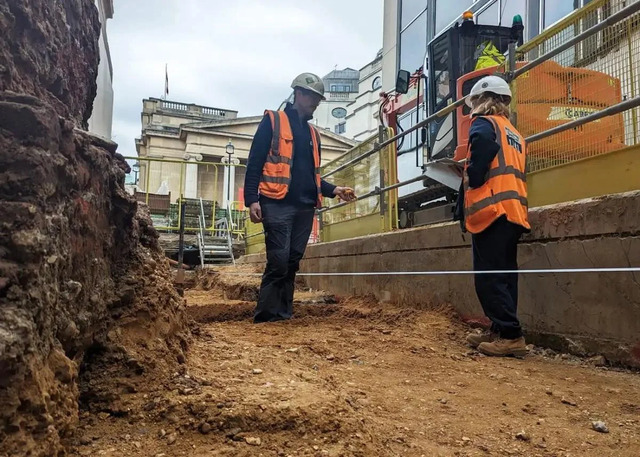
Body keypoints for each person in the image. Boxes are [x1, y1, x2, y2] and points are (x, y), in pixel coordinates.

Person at [244, 72, 356, 324]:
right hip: (276, 202)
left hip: (305, 207)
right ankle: (265, 315)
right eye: (313, 97)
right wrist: (252, 199)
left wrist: (333, 189)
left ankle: (283, 313)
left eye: (319, 98)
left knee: (292, 261)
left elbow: (310, 175)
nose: (317, 102)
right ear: (299, 94)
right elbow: (254, 163)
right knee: (279, 261)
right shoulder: (273, 122)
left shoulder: (313, 134)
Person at [459, 75, 530, 357]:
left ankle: (510, 335)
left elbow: (482, 154)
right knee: (505, 274)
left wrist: (473, 178)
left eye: (474, 101)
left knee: (489, 276)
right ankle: (502, 330)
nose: (472, 107)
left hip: (491, 209)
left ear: (482, 100)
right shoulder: (513, 133)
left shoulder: (484, 124)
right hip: (512, 210)